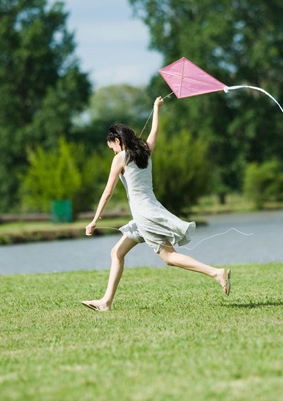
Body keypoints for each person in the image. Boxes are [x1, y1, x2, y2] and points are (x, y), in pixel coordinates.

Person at [82, 96, 231, 312]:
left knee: (169, 258)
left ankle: (216, 273)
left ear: (118, 141)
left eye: (111, 147)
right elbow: (153, 134)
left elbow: (107, 192)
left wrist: (94, 221)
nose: (112, 152)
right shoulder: (145, 153)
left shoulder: (121, 157)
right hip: (149, 211)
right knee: (117, 252)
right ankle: (106, 302)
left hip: (145, 216)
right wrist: (156, 108)